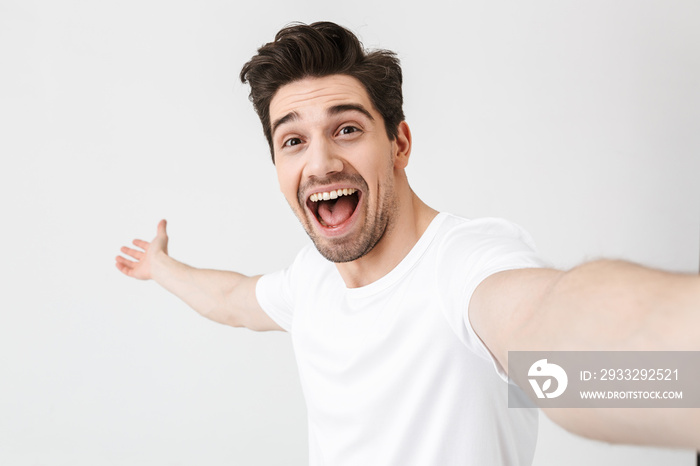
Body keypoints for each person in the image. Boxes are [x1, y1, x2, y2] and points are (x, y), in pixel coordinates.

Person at [115, 21, 700, 465]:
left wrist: (683, 375)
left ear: (399, 145)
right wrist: (161, 267)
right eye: (293, 140)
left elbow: (552, 329)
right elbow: (234, 299)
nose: (320, 163)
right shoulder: (311, 283)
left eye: (346, 128)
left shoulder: (465, 266)